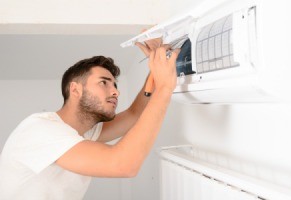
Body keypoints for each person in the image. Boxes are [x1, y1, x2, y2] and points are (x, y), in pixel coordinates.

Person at [0, 38, 180, 199]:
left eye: (114, 85)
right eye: (104, 82)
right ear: (75, 90)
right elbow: (123, 165)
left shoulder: (83, 132)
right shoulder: (40, 129)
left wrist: (157, 67)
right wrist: (165, 88)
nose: (115, 91)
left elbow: (134, 115)